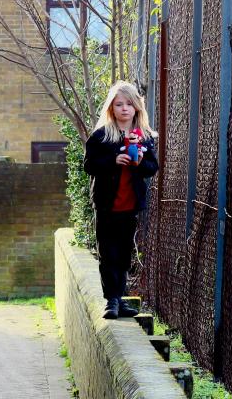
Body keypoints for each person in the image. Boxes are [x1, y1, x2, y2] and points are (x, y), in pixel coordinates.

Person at [83, 81, 159, 319]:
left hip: (130, 205)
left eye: (129, 104)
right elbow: (89, 165)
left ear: (137, 107)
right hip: (107, 204)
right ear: (111, 108)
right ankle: (112, 301)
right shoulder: (102, 136)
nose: (124, 108)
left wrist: (139, 163)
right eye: (119, 104)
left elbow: (152, 168)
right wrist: (113, 160)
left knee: (124, 252)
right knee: (108, 253)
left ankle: (120, 298)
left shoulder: (144, 137)